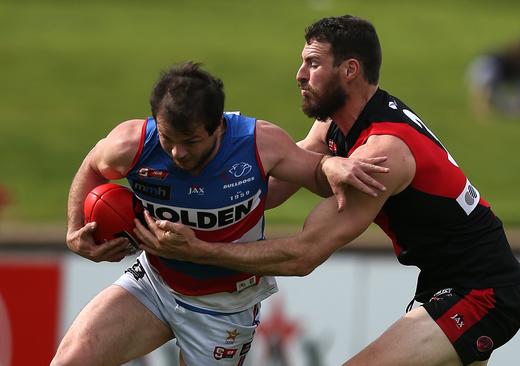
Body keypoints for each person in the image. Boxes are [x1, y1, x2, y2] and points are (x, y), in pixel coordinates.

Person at [134, 16, 520, 366]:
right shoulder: (334, 126)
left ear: (350, 70)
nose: (299, 75)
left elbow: (303, 255)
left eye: (313, 63)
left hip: (483, 291)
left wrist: (199, 251)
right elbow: (260, 191)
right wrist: (178, 198)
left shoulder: (382, 153)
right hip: (444, 282)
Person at [52, 61, 388, 366]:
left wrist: (333, 166)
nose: (177, 152)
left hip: (225, 309)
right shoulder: (131, 145)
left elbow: (314, 171)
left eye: (191, 141)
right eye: (168, 138)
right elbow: (93, 164)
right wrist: (74, 231)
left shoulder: (258, 143)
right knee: (70, 361)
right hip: (154, 284)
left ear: (219, 128)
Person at [467, 34, 520, 119]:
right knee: (491, 96)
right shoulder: (495, 60)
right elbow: (483, 83)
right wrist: (483, 105)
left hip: (497, 84)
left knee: (510, 106)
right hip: (483, 75)